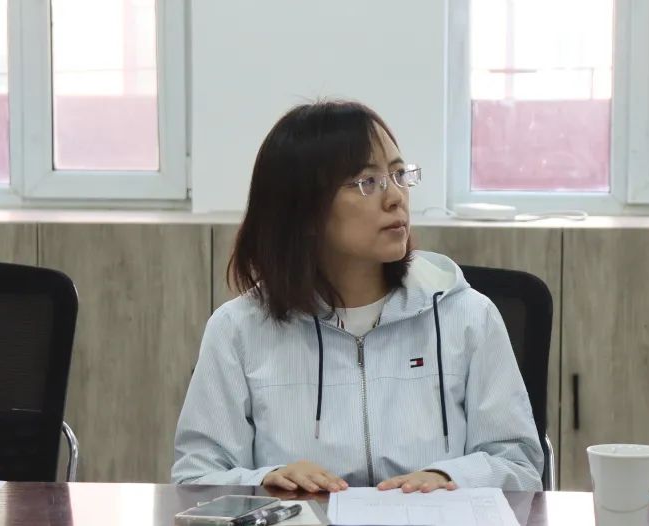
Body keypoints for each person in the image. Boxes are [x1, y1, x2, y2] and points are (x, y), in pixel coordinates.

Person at [171, 100, 543, 494]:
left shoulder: (467, 317)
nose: (396, 197)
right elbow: (196, 477)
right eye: (368, 182)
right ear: (303, 210)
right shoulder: (238, 331)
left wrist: (449, 478)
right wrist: (264, 479)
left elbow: (519, 465)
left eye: (399, 174)